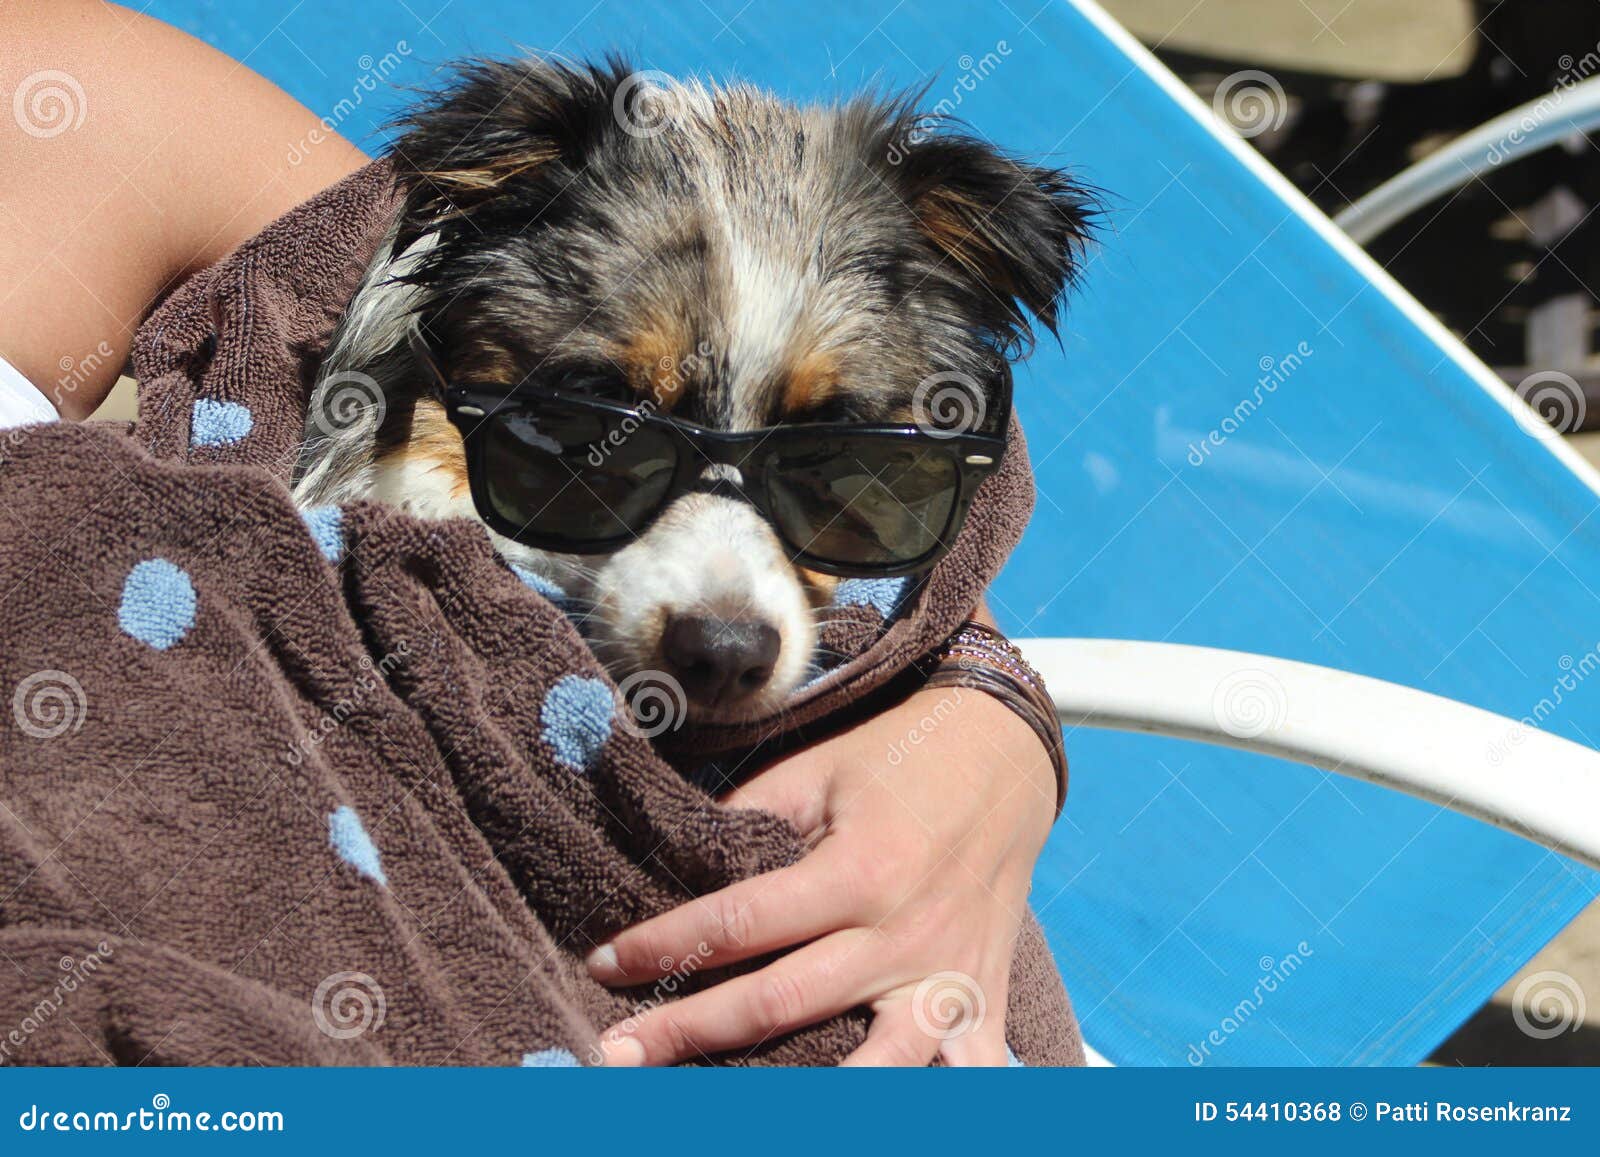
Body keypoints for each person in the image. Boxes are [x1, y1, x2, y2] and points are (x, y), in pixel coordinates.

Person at [0, 1, 1063, 1066]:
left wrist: (977, 697)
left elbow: (364, 279)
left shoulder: (71, 93)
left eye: (813, 432)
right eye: (606, 405)